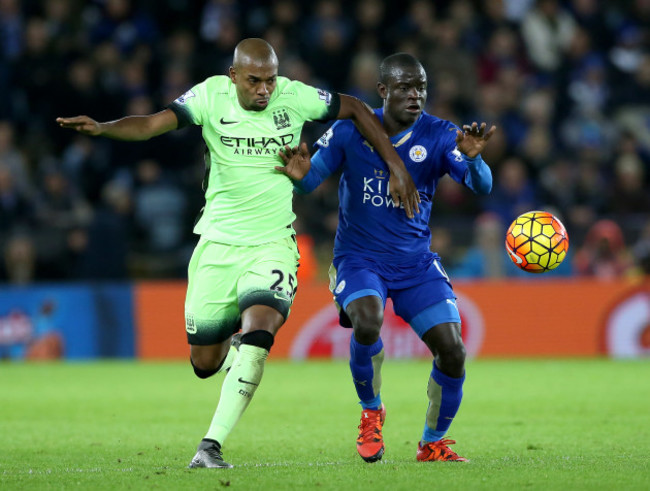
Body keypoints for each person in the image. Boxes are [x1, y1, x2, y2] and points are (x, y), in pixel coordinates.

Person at [56, 38, 420, 468]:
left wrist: (396, 165)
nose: (265, 89)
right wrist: (104, 128)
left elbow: (357, 108)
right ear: (234, 76)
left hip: (272, 245)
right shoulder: (210, 96)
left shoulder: (295, 96)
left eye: (270, 80)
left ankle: (210, 446)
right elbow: (154, 124)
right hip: (217, 246)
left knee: (260, 333)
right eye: (254, 81)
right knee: (205, 363)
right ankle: (233, 346)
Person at [282, 53, 496, 462]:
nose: (415, 95)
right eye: (405, 87)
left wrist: (473, 157)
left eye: (421, 87)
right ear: (383, 91)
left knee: (453, 350)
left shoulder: (439, 133)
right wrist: (299, 174)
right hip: (360, 259)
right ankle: (371, 412)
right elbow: (310, 181)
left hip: (415, 264)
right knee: (367, 320)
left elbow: (481, 186)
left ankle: (432, 442)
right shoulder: (349, 130)